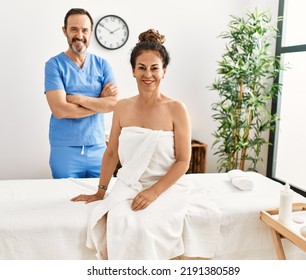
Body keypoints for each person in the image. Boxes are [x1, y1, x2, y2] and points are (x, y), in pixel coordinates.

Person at [71, 29, 194, 259]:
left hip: (166, 187)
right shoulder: (123, 107)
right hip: (129, 184)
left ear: (164, 71)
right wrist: (101, 192)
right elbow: (111, 153)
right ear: (133, 71)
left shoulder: (176, 109)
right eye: (142, 67)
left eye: (154, 68)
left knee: (144, 226)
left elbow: (183, 161)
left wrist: (153, 192)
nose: (148, 74)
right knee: (119, 220)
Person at [44, 8, 119, 179]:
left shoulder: (102, 65)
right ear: (65, 31)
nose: (79, 35)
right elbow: (60, 110)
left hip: (99, 147)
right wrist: (99, 102)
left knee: (102, 200)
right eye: (73, 29)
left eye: (84, 30)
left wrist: (78, 99)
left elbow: (114, 104)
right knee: (67, 199)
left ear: (91, 32)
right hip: (65, 150)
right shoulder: (54, 65)